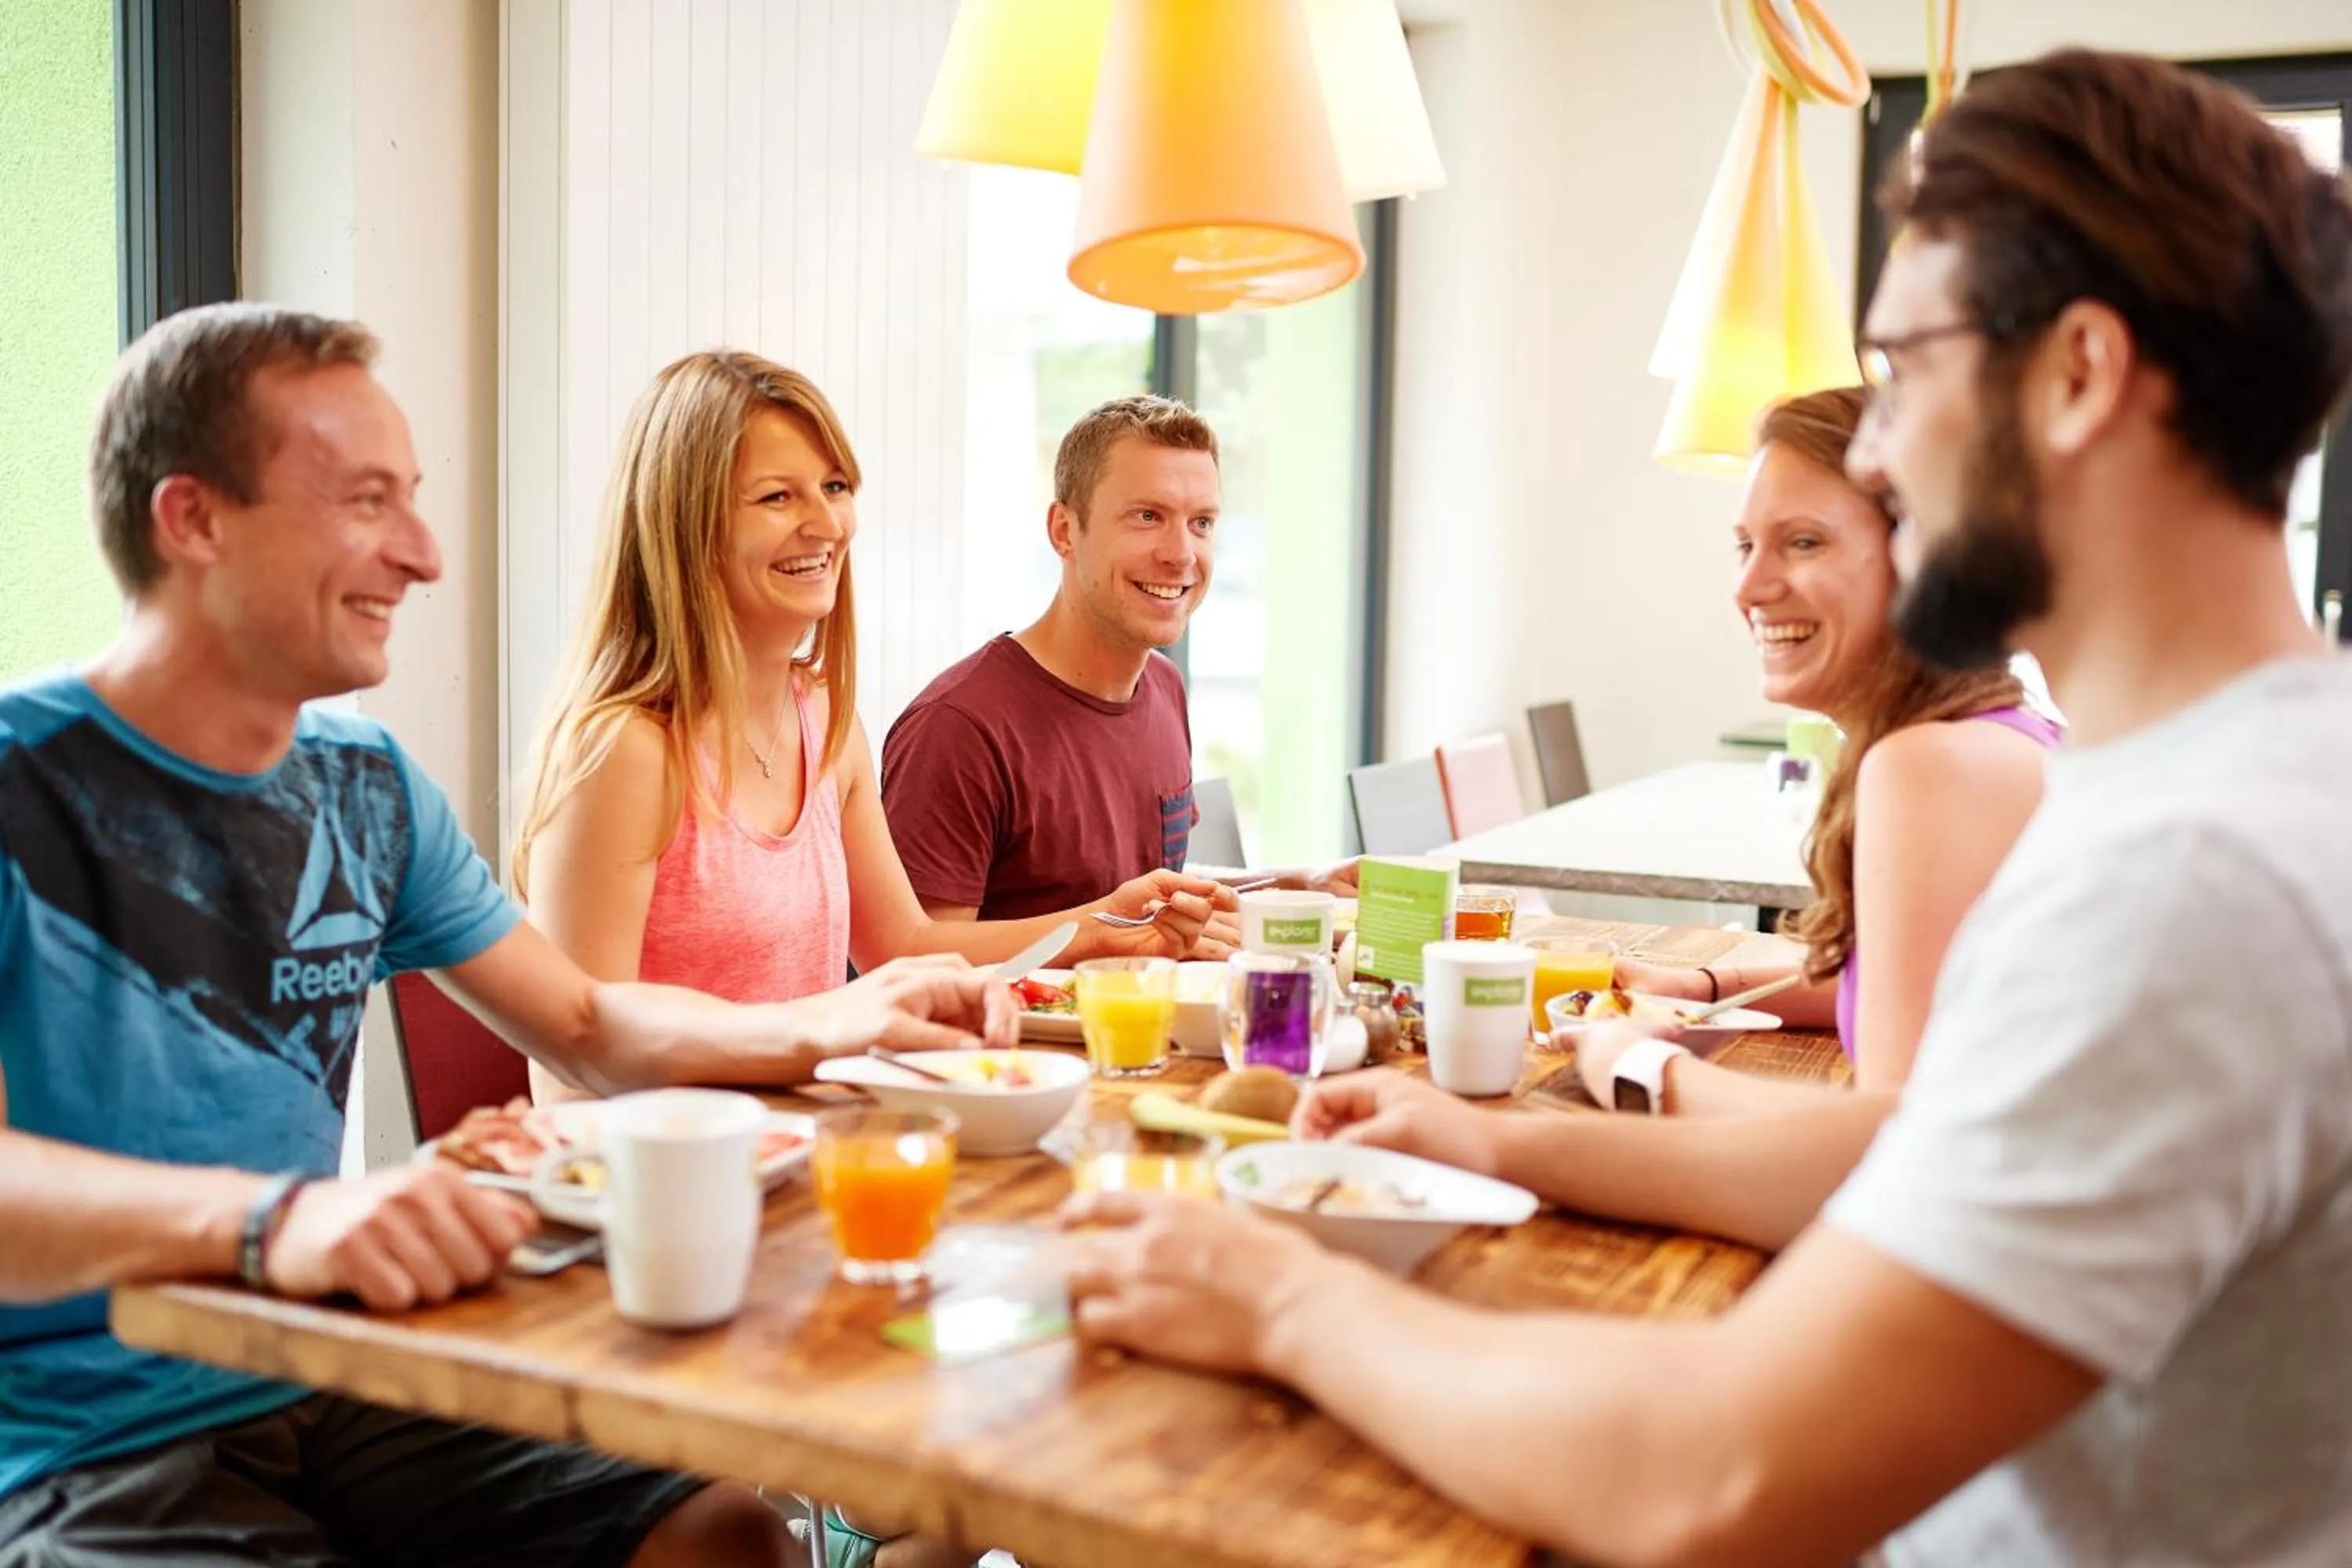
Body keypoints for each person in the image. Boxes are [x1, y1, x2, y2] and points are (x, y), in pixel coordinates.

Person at [1059, 49, 2352, 1566]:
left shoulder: (2190, 878)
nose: (1882, 451)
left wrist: (1280, 1297)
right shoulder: (2241, 784)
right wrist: (1508, 1145)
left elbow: (1708, 1478)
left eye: (1908, 368)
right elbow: (1913, 1153)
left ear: (2078, 373)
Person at [0, 304, 1013, 1566]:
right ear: (193, 519)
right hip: (79, 1433)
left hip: (325, 1364)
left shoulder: (365, 785)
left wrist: (834, 1019)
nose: (423, 555)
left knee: (729, 1537)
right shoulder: (22, 784)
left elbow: (582, 1019)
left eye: (415, 501)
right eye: (367, 502)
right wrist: (275, 1219)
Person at [509, 354, 1237, 1107]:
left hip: (819, 1147)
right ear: (686, 523)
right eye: (776, 496)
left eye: (834, 488)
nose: (828, 525)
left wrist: (1101, 926)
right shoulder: (624, 751)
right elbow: (568, 1078)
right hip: (689, 1168)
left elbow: (906, 947)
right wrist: (820, 1033)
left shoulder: (822, 718)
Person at [1583, 386, 2055, 1137]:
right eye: (1746, 546)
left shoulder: (1927, 765)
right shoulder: (2003, 732)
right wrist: (1707, 986)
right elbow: (1896, 977)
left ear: (1921, 555)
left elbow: (1891, 1145)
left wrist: (1633, 1066)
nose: (1750, 587)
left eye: (1803, 542)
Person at [881, 395, 1350, 924]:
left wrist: (1296, 884)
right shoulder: (959, 727)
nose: (1181, 554)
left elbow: (1143, 894)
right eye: (1148, 516)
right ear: (1064, 531)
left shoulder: (1163, 686)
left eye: (1201, 522)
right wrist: (1110, 936)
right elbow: (920, 960)